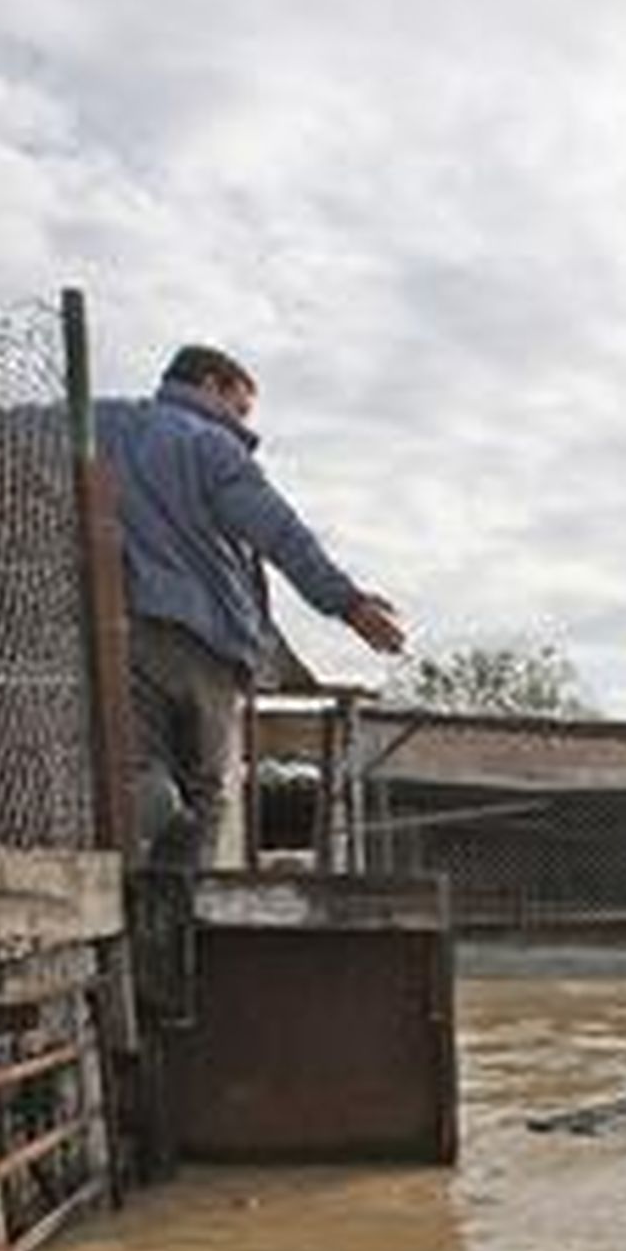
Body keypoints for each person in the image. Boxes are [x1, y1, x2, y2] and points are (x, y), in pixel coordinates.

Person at [95, 343, 407, 867]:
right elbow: (279, 533)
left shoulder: (101, 421)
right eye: (240, 408)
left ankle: (153, 826)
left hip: (122, 629)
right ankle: (181, 897)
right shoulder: (210, 445)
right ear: (210, 385)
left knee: (138, 763)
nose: (242, 424)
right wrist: (348, 603)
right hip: (205, 642)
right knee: (207, 789)